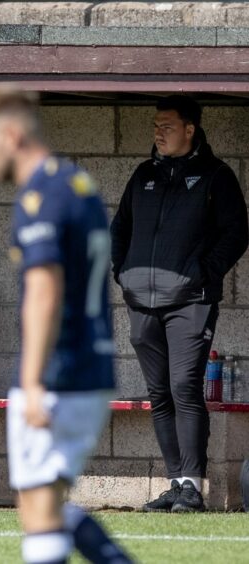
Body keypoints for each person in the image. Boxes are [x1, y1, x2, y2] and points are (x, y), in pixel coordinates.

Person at [0, 89, 131, 564]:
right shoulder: (78, 183)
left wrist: (34, 380)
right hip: (92, 369)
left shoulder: (39, 198)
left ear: (11, 134)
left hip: (60, 372)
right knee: (44, 506)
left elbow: (44, 291)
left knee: (39, 519)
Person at [111, 95, 248, 513]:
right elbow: (120, 229)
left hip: (191, 299)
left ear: (190, 129)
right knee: (159, 392)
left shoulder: (215, 176)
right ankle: (176, 482)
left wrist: (203, 273)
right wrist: (124, 272)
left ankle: (192, 485)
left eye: (167, 125)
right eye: (156, 125)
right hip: (142, 301)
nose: (158, 132)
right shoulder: (143, 175)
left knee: (184, 386)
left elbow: (236, 233)